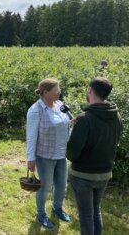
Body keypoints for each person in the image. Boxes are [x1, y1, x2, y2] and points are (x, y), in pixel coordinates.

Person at [67, 77, 122, 235]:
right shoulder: (116, 116)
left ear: (90, 90)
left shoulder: (85, 119)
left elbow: (72, 153)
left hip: (84, 176)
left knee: (86, 216)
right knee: (95, 210)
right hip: (104, 174)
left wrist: (73, 133)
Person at [26, 78, 71, 230]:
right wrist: (30, 159)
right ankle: (41, 214)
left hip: (61, 154)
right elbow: (31, 136)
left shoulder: (59, 105)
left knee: (61, 185)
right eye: (56, 90)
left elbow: (64, 123)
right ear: (46, 92)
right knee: (45, 187)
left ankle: (57, 208)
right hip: (45, 156)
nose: (59, 92)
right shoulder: (35, 110)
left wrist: (72, 122)